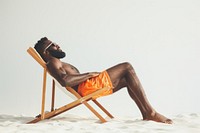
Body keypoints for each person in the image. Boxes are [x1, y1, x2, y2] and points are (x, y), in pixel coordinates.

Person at [34, 37, 173, 124]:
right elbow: (65, 81)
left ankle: (146, 114)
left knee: (127, 80)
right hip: (86, 87)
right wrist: (88, 74)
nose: (57, 45)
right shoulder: (53, 63)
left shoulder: (55, 62)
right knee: (127, 67)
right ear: (46, 52)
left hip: (87, 86)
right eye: (53, 45)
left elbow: (64, 79)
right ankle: (151, 113)